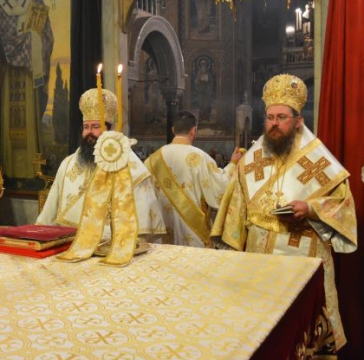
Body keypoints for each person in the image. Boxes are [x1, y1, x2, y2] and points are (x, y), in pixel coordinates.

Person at [211, 74, 357, 352]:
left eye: (281, 117)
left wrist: (311, 209)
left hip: (302, 252)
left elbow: (344, 205)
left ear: (298, 120)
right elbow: (236, 208)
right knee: (261, 331)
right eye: (269, 117)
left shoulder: (319, 159)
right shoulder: (252, 158)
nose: (274, 123)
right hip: (257, 257)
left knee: (302, 332)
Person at [36, 88, 165, 241]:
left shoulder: (131, 168)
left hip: (111, 247)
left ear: (111, 129)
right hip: (67, 245)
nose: (89, 132)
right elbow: (50, 211)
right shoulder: (68, 164)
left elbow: (142, 221)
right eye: (86, 127)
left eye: (96, 127)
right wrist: (38, 234)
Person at [0, 0, 54, 182]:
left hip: (26, 71)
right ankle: (10, 171)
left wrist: (31, 41)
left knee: (28, 120)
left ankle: (31, 171)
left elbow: (46, 35)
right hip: (7, 72)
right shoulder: (0, 1)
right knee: (9, 119)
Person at [145, 110, 243, 247]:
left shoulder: (152, 159)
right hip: (192, 231)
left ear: (173, 130)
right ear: (193, 131)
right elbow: (220, 187)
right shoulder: (200, 158)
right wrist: (233, 164)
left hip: (161, 232)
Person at [194, 57, 214, 122]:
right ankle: (201, 118)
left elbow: (211, 81)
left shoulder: (208, 73)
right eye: (202, 64)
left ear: (206, 65)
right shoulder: (199, 72)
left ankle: (207, 118)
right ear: (200, 65)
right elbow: (196, 81)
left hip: (207, 91)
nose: (203, 65)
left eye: (204, 64)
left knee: (207, 104)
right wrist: (200, 78)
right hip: (201, 91)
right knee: (201, 104)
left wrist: (207, 81)